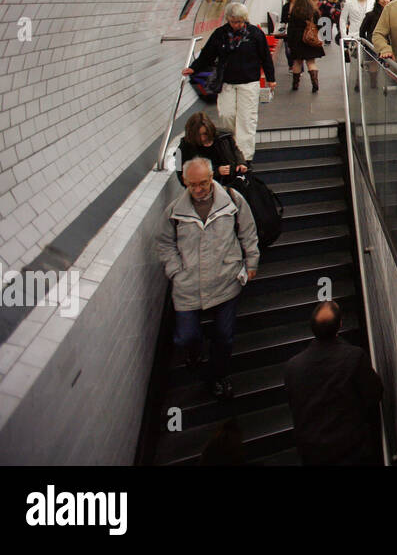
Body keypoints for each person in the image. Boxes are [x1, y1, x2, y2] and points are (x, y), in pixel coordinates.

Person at [156, 157, 259, 400]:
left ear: (212, 178)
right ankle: (194, 350)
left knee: (224, 336)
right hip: (188, 285)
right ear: (184, 181)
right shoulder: (174, 212)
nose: (199, 189)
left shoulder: (232, 200)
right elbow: (164, 243)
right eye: (193, 185)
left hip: (226, 280)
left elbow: (248, 231)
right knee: (185, 336)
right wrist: (175, 270)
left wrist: (251, 262)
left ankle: (217, 377)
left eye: (204, 183)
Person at [284, 302, 384, 465]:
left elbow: (294, 403)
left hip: (312, 453)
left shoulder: (293, 367)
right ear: (340, 325)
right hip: (350, 451)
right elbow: (374, 394)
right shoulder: (354, 358)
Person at [182, 2, 275, 162]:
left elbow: (265, 56)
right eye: (233, 22)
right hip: (227, 83)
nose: (236, 25)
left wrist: (270, 78)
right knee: (226, 115)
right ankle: (232, 147)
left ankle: (245, 158)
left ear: (245, 19)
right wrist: (194, 68)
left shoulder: (254, 34)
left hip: (249, 83)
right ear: (228, 19)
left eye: (239, 22)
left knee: (246, 119)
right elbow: (208, 54)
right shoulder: (220, 34)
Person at [178, 113, 246, 185]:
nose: (202, 138)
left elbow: (235, 150)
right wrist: (216, 171)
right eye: (198, 135)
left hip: (231, 182)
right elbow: (181, 173)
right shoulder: (184, 147)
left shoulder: (224, 137)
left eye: (205, 134)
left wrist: (241, 163)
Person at [285, 0, 324, 91]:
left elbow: (291, 28)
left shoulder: (294, 12)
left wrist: (290, 42)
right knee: (311, 62)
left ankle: (295, 85)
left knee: (297, 62)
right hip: (310, 40)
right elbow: (320, 25)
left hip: (297, 40)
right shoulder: (314, 11)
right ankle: (315, 84)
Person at [359, 0, 393, 89]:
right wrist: (367, 43)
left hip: (389, 45)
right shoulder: (371, 15)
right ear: (377, 1)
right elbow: (362, 31)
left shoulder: (393, 14)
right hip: (373, 45)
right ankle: (373, 83)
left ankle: (387, 83)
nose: (385, 0)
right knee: (373, 64)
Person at [341, 0, 376, 73]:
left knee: (368, 60)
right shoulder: (348, 2)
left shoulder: (373, 3)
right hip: (353, 37)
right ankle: (355, 83)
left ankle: (366, 81)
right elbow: (343, 19)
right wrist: (344, 36)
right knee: (355, 61)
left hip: (368, 37)